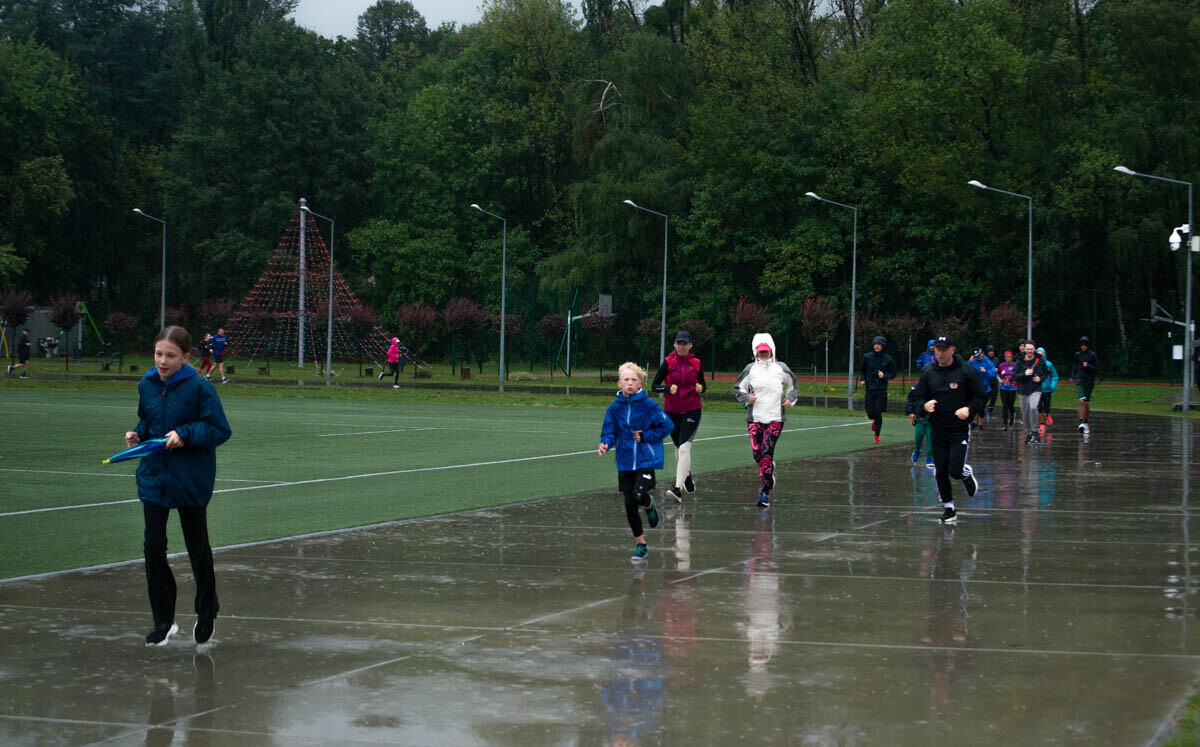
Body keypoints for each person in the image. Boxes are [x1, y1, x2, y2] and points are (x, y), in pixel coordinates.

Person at [125, 326, 231, 646]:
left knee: (197, 548)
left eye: (170, 355)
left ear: (186, 357)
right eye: (159, 354)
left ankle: (206, 608)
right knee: (153, 547)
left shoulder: (199, 388)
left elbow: (218, 429)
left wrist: (185, 434)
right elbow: (148, 421)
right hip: (155, 477)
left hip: (190, 479)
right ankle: (163, 620)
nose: (163, 361)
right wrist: (138, 434)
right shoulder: (147, 385)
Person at [599, 362, 674, 562]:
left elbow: (667, 425)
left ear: (640, 383)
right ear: (619, 383)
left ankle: (649, 504)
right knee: (629, 503)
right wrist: (605, 443)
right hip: (624, 461)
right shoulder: (615, 408)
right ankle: (641, 544)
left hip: (646, 458)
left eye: (633, 380)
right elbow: (609, 431)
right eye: (626, 380)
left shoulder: (649, 406)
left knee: (639, 495)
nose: (630, 383)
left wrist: (646, 436)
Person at [910, 334, 987, 524]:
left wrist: (968, 409)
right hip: (937, 428)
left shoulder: (966, 372)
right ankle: (949, 509)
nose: (940, 353)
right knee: (940, 471)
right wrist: (924, 406)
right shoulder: (929, 373)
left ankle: (965, 473)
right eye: (937, 349)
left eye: (944, 349)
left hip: (959, 428)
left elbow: (981, 397)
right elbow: (918, 398)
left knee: (954, 470)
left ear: (953, 350)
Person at [733, 333, 799, 508]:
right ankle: (768, 471)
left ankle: (764, 492)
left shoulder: (781, 368)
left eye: (766, 351)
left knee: (767, 451)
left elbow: (793, 384)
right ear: (756, 352)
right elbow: (738, 387)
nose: (763, 354)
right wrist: (747, 397)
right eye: (760, 352)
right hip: (754, 417)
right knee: (757, 453)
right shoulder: (750, 369)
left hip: (776, 417)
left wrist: (790, 399)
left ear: (772, 350)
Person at [651, 330, 705, 502]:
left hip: (692, 409)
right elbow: (654, 386)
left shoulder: (696, 363)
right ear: (674, 345)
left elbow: (703, 384)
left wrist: (701, 388)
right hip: (672, 411)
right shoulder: (668, 362)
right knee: (677, 449)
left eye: (685, 343)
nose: (682, 346)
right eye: (679, 343)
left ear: (690, 345)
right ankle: (686, 475)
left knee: (684, 448)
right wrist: (667, 389)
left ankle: (677, 489)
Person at [859, 335, 897, 444]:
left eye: (879, 344)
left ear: (883, 346)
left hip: (881, 389)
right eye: (875, 344)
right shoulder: (867, 357)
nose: (876, 346)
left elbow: (893, 373)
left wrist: (884, 375)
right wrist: (863, 379)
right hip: (870, 388)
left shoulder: (888, 359)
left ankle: (877, 436)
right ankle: (874, 421)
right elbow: (862, 370)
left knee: (878, 412)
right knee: (871, 413)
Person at [1013, 341, 1049, 444]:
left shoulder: (1040, 360)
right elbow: (1014, 376)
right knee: (1025, 412)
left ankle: (1035, 431)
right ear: (1024, 349)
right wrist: (1024, 374)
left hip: (1035, 389)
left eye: (1031, 349)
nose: (1029, 351)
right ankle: (1028, 433)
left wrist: (1040, 379)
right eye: (1027, 349)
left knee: (1033, 407)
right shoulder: (1020, 361)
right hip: (1023, 390)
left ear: (1034, 349)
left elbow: (1046, 372)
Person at [1071, 336, 1101, 435]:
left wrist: (1088, 365)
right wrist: (1073, 376)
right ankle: (1081, 422)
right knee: (1081, 400)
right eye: (1081, 345)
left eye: (1084, 345)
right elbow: (1074, 366)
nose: (1082, 347)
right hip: (1080, 380)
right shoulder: (1077, 355)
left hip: (1089, 381)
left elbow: (1097, 367)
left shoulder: (1092, 355)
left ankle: (1086, 421)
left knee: (1086, 403)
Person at [905, 382, 935, 468]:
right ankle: (917, 450)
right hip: (919, 417)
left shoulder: (937, 385)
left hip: (932, 418)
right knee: (919, 436)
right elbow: (910, 400)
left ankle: (929, 458)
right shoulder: (917, 386)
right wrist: (910, 412)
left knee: (931, 438)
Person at [966, 348, 996, 429]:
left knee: (981, 406)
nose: (978, 357)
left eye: (979, 355)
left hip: (985, 388)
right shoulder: (973, 361)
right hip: (974, 387)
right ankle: (974, 421)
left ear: (982, 353)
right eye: (976, 356)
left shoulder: (987, 362)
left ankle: (981, 423)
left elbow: (993, 374)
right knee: (974, 404)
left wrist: (986, 371)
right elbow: (965, 370)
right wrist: (969, 362)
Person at [1036, 346, 1059, 432]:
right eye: (1038, 355)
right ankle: (1041, 424)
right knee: (1039, 407)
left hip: (1047, 389)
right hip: (1037, 389)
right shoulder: (1034, 364)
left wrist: (1052, 386)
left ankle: (1048, 414)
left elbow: (1055, 376)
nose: (1040, 356)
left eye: (1041, 355)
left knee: (1046, 406)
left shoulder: (1049, 364)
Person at [996, 350, 1017, 431]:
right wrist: (999, 379)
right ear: (1005, 358)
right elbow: (997, 373)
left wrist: (1013, 378)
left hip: (1012, 387)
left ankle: (1011, 419)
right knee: (1005, 405)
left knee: (1010, 405)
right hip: (1003, 387)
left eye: (1010, 357)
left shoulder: (1015, 365)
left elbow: (1017, 374)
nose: (1009, 358)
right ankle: (1005, 423)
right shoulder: (1001, 365)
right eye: (1007, 357)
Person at [984, 345, 1000, 417]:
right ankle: (982, 408)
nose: (991, 352)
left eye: (992, 351)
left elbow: (998, 370)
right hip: (987, 381)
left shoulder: (996, 359)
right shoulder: (984, 359)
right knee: (986, 396)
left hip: (994, 380)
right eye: (990, 351)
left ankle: (990, 411)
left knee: (994, 396)